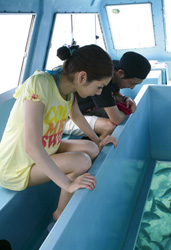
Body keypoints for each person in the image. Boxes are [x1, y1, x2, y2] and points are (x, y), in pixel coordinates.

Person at [0, 44, 118, 222]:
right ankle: (59, 215)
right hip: (18, 164)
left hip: (48, 146)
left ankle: (77, 196)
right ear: (82, 76)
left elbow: (76, 114)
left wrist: (97, 140)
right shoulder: (40, 83)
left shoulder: (64, 80)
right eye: (99, 86)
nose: (99, 92)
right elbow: (31, 146)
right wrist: (68, 184)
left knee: (92, 149)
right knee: (82, 161)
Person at [63, 51, 151, 139]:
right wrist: (129, 111)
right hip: (66, 117)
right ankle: (99, 149)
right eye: (132, 83)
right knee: (110, 127)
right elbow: (117, 119)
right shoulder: (103, 81)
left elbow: (116, 94)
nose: (132, 88)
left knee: (116, 113)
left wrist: (125, 98)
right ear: (120, 73)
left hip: (85, 109)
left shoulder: (116, 68)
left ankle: (95, 142)